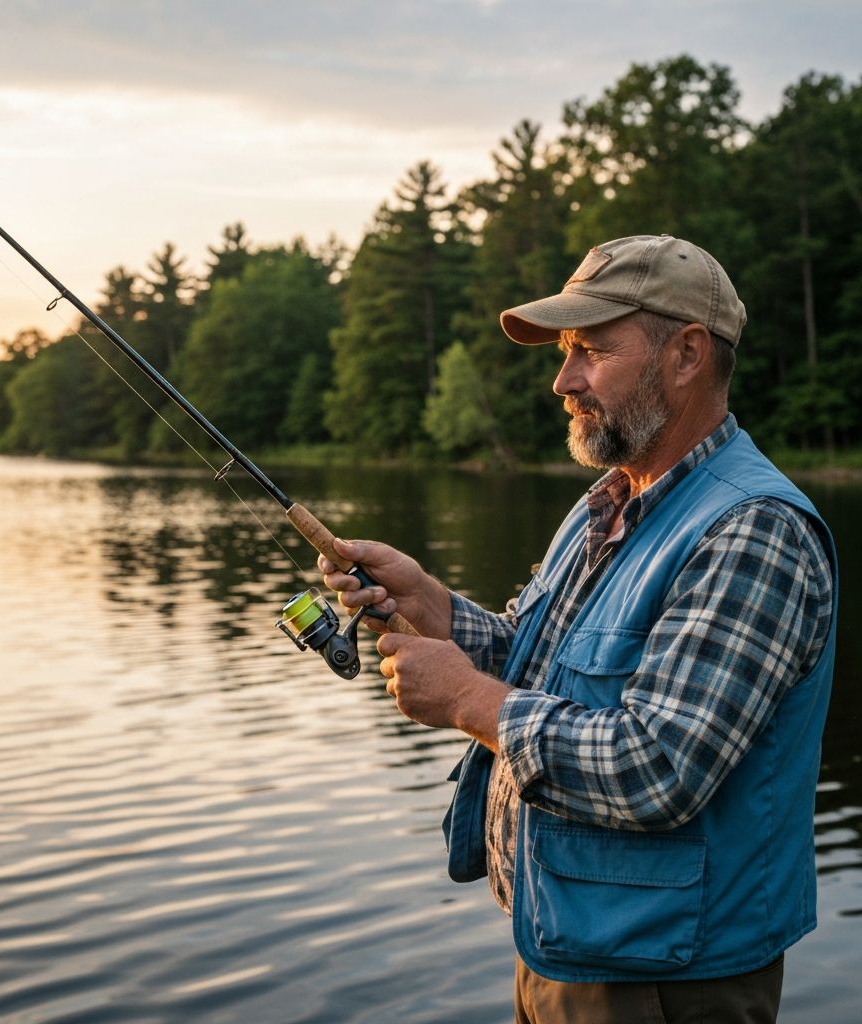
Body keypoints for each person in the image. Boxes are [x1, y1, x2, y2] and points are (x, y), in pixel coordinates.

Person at [318, 235, 837, 1024]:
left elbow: (657, 765)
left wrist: (467, 703)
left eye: (591, 350)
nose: (563, 381)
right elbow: (531, 658)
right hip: (569, 948)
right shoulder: (606, 502)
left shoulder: (752, 531)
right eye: (565, 353)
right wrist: (431, 604)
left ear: (687, 354)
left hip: (667, 984)